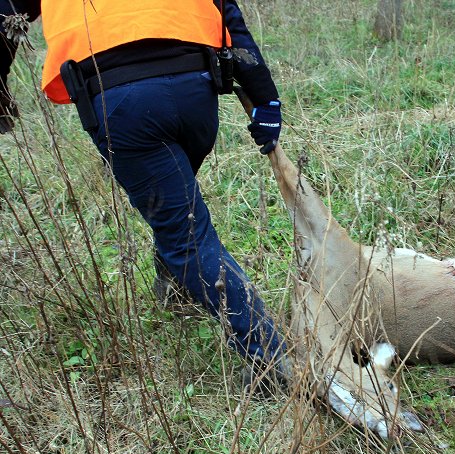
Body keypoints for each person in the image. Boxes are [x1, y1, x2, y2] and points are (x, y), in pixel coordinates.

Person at [0, 1, 289, 377]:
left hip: (122, 101)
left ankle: (273, 360)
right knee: (177, 209)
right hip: (196, 94)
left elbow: (5, 15)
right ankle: (174, 289)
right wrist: (265, 99)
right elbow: (228, 13)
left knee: (185, 237)